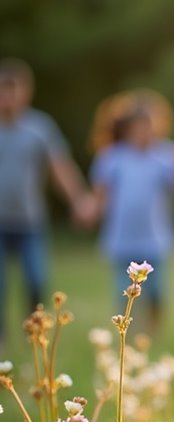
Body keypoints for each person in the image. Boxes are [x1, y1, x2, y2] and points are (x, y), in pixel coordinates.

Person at [86, 89, 174, 335]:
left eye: (151, 125)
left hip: (155, 239)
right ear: (128, 128)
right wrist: (89, 212)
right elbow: (100, 195)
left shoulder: (166, 156)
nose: (146, 131)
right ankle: (125, 335)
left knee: (157, 294)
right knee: (124, 292)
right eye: (140, 126)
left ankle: (153, 334)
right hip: (122, 239)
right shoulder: (112, 158)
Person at [0, 57, 90, 349]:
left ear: (27, 91)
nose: (8, 96)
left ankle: (34, 337)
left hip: (30, 221)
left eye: (14, 89)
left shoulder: (39, 127)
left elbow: (60, 167)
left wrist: (79, 199)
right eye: (3, 89)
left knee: (36, 280)